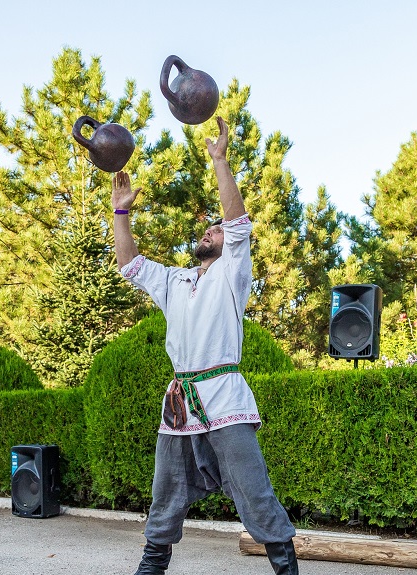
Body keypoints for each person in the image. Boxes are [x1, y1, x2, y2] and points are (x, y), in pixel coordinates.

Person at [111, 116, 299, 575]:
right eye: (207, 230)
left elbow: (237, 221)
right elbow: (128, 263)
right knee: (165, 492)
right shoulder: (173, 280)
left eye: (216, 230)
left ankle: (285, 567)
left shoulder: (233, 273)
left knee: (253, 489)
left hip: (225, 396)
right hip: (179, 402)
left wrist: (219, 160)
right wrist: (121, 213)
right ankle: (152, 565)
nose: (209, 232)